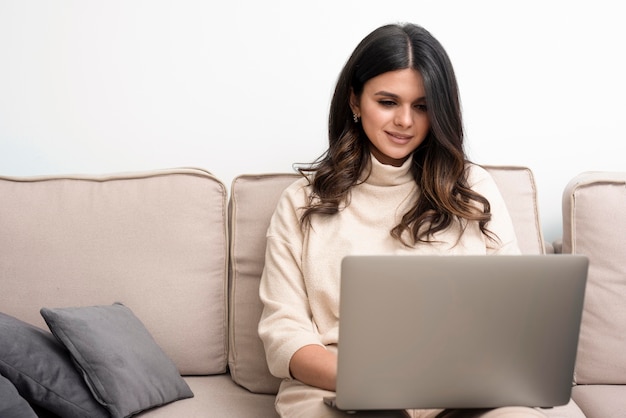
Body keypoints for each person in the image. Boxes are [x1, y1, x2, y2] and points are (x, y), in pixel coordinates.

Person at [258, 22, 548, 418]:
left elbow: (515, 312)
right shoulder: (302, 202)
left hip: (458, 392)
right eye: (388, 101)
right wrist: (377, 381)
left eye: (423, 106)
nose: (405, 122)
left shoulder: (472, 187)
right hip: (343, 388)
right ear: (355, 103)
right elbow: (284, 332)